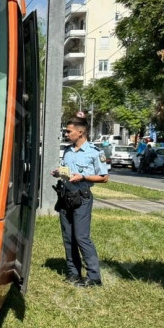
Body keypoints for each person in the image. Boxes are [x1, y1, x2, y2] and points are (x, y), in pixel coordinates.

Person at [52, 116, 109, 287]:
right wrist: (59, 173)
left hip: (81, 197)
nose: (66, 133)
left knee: (81, 237)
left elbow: (104, 177)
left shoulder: (94, 152)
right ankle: (73, 273)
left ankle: (94, 277)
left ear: (81, 132)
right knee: (68, 237)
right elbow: (67, 171)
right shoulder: (68, 151)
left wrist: (83, 176)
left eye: (69, 131)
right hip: (65, 196)